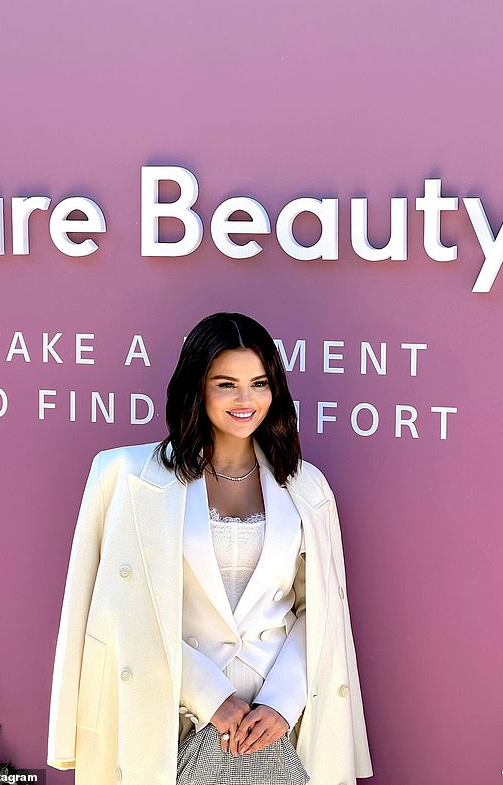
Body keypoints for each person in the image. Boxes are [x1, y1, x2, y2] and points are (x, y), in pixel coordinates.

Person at [47, 312, 373, 785]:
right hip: (169, 717)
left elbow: (320, 611)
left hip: (283, 725)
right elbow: (118, 611)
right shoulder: (124, 476)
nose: (246, 400)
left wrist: (283, 702)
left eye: (259, 383)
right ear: (196, 387)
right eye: (226, 384)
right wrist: (209, 695)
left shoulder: (306, 486)